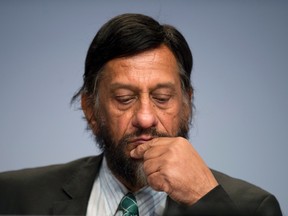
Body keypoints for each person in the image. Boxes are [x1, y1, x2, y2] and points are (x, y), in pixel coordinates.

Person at [0, 13, 282, 216]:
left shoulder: (253, 208)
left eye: (162, 98)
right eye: (124, 99)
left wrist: (205, 200)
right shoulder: (13, 197)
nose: (145, 118)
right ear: (91, 110)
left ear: (186, 105)